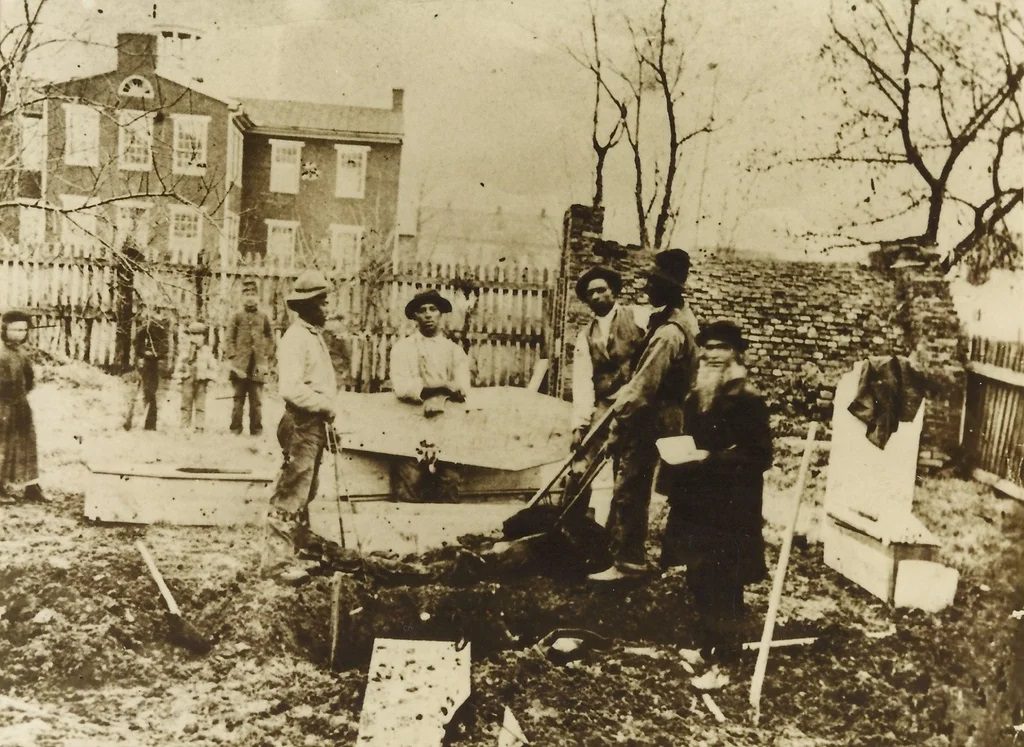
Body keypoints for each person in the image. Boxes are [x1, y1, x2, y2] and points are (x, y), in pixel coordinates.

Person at [658, 320, 772, 672]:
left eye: (719, 347)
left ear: (736, 353)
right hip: (696, 505)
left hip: (731, 508)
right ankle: (709, 649)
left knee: (726, 582)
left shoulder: (748, 401)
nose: (710, 354)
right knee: (699, 576)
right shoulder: (699, 397)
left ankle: (726, 660)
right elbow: (691, 443)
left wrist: (713, 459)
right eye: (706, 347)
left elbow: (760, 456)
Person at [588, 249, 699, 582]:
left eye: (653, 282)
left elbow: (641, 390)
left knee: (630, 485)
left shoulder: (668, 334)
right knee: (645, 486)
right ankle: (623, 551)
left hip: (655, 416)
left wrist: (615, 429)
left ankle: (628, 562)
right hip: (664, 414)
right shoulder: (671, 318)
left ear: (668, 288)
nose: (646, 287)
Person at [265, 269, 337, 581]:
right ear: (306, 305)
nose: (327, 308)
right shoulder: (295, 339)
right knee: (292, 489)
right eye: (322, 302)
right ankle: (277, 564)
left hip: (315, 424)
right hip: (301, 422)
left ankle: (298, 551)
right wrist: (324, 406)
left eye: (327, 301)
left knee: (307, 490)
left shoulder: (313, 337)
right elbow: (291, 389)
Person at [567, 265, 650, 516]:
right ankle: (572, 521)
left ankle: (619, 528)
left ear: (613, 292)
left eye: (601, 290)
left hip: (636, 403)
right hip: (605, 405)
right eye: (590, 294)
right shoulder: (585, 336)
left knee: (628, 468)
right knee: (582, 462)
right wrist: (579, 424)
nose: (596, 296)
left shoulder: (638, 317)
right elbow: (582, 380)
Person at [389, 288, 471, 502]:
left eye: (432, 309)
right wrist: (442, 384)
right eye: (422, 310)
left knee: (450, 480)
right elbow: (402, 387)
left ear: (440, 314)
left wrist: (448, 390)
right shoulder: (402, 349)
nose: (427, 315)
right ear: (415, 316)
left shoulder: (454, 351)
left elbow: (462, 388)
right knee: (409, 479)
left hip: (446, 426)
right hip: (411, 425)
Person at [0, 310, 44, 502]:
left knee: (27, 443)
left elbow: (30, 379)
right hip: (3, 406)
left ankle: (31, 487)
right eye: (15, 329)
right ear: (4, 329)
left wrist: (22, 396)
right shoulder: (1, 353)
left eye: (23, 330)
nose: (20, 333)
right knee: (3, 446)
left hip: (21, 405)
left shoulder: (22, 353)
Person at [226, 278, 274, 436]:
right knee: (238, 399)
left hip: (258, 365)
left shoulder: (263, 317)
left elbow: (270, 336)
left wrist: (266, 353)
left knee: (257, 401)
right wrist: (234, 357)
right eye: (247, 294)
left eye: (253, 294)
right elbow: (229, 338)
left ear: (258, 297)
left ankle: (256, 430)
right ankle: (235, 429)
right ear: (242, 297)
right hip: (240, 365)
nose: (250, 297)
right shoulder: (236, 316)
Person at [174, 321, 217, 432]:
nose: (196, 338)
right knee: (185, 405)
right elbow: (179, 366)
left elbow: (213, 367)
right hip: (187, 379)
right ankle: (184, 426)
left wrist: (211, 380)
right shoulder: (185, 351)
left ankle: (199, 427)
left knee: (200, 405)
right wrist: (179, 379)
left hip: (201, 381)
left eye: (199, 335)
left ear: (203, 336)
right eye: (193, 335)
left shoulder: (207, 351)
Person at [132, 307, 169, 431]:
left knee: (151, 392)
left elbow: (165, 348)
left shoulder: (161, 330)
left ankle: (150, 423)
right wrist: (143, 353)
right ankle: (136, 420)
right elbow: (137, 344)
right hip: (144, 362)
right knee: (144, 391)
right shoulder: (143, 330)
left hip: (155, 364)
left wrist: (155, 354)